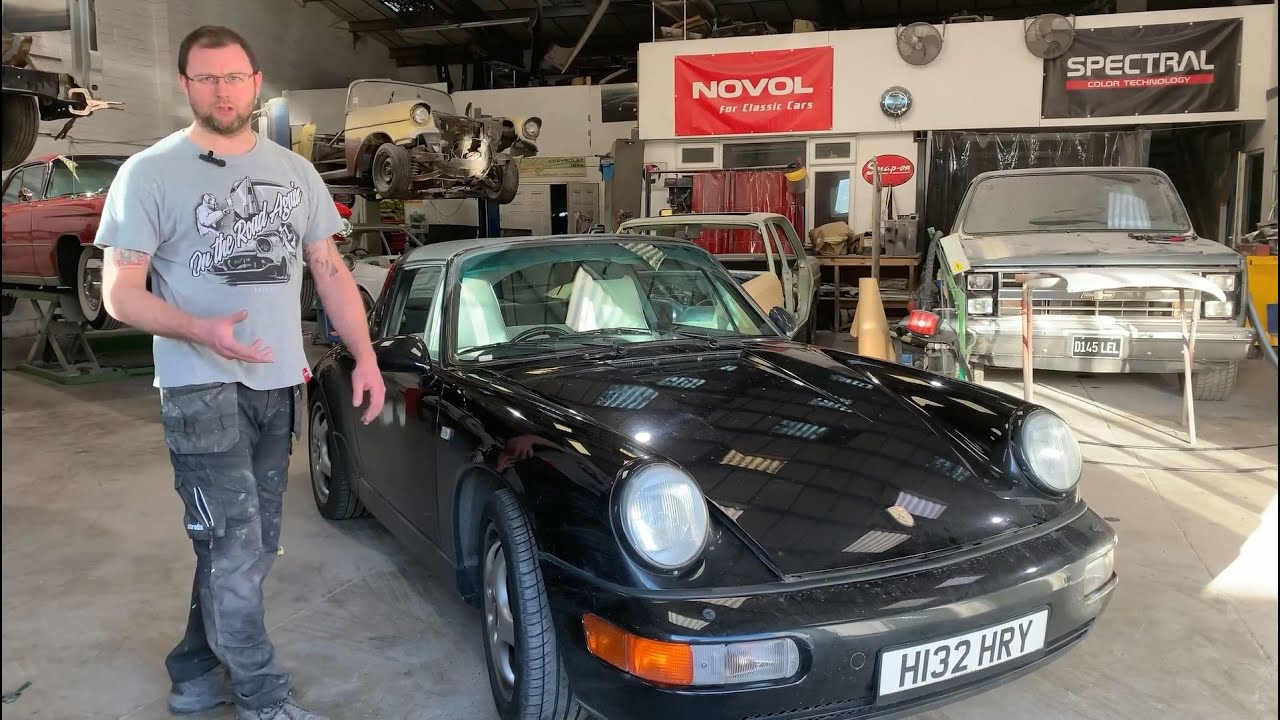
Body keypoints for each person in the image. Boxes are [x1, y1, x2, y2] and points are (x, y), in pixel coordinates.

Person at [95, 25, 386, 720]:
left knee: (249, 547)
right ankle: (262, 697)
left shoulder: (295, 174)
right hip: (200, 387)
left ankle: (195, 673)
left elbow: (330, 270)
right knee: (232, 547)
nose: (221, 91)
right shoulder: (150, 173)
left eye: (233, 77)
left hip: (277, 384)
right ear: (185, 85)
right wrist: (201, 330)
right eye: (206, 78)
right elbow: (119, 294)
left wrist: (366, 356)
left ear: (255, 84)